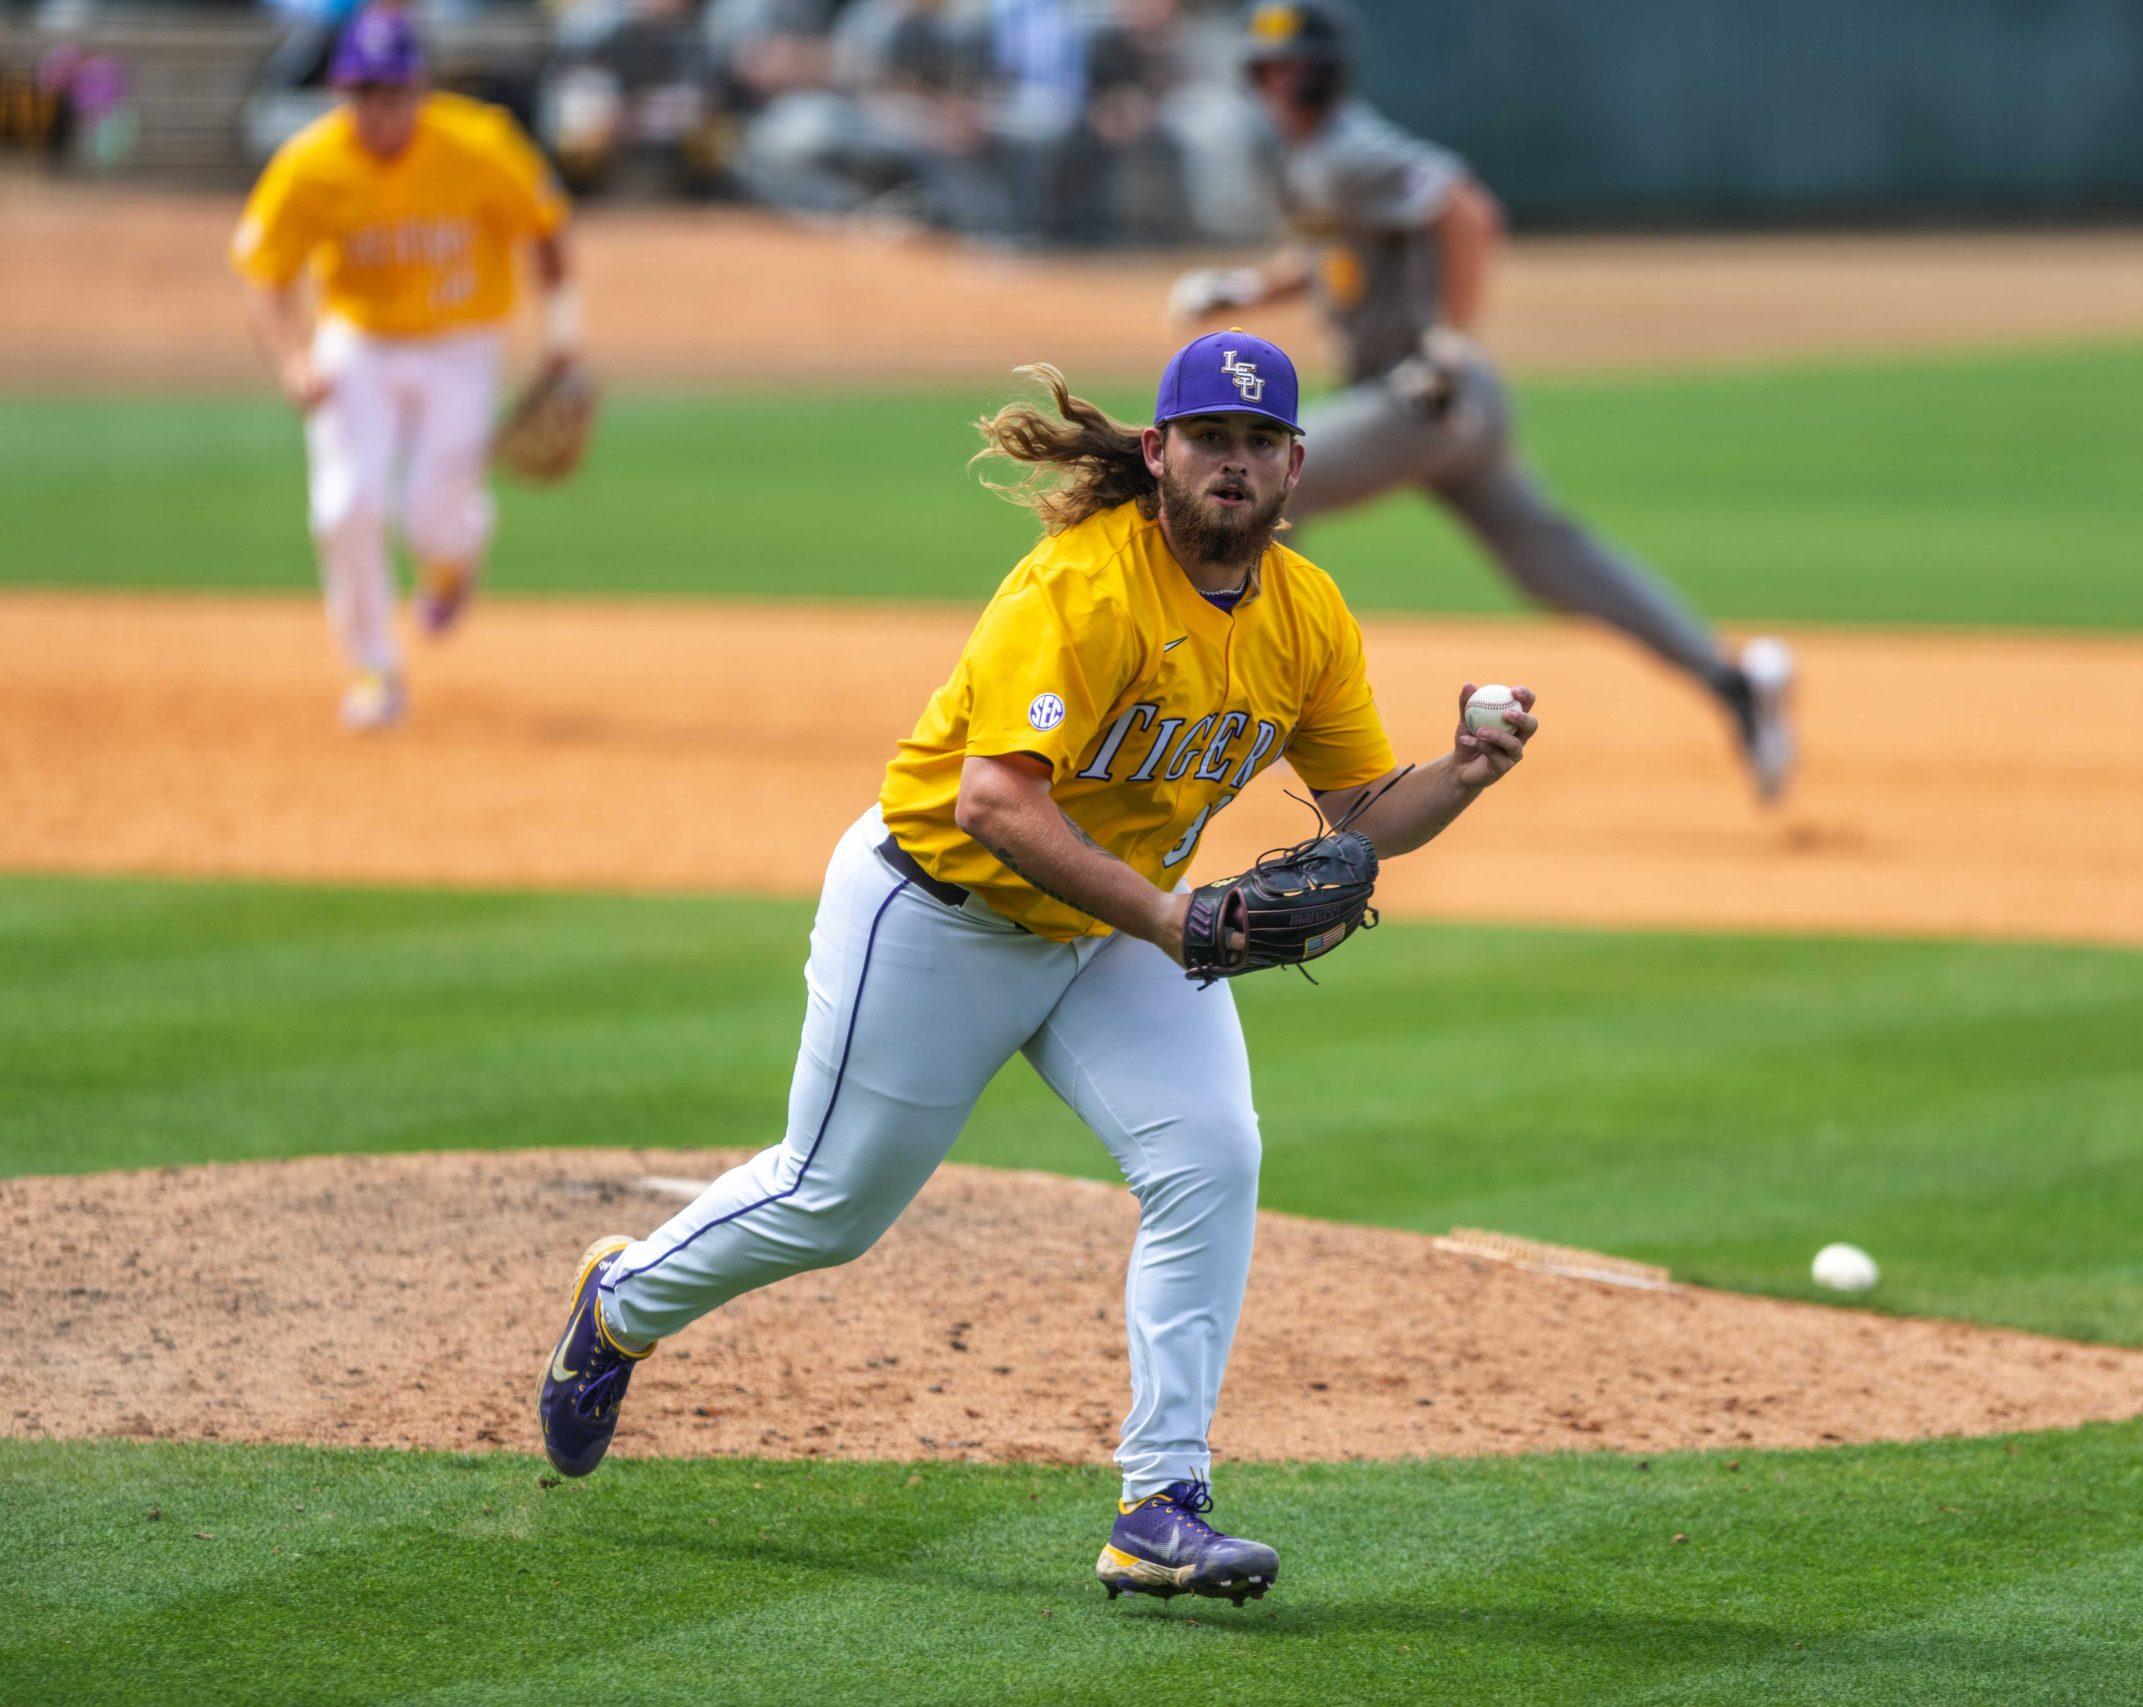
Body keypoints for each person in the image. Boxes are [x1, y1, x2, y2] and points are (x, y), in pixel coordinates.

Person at [537, 329, 1539, 1604]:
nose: (1232, 465)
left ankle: (1159, 1504)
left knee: (1211, 1158)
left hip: (1113, 930)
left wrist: (1458, 772)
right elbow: (995, 806)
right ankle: (619, 1303)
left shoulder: (1306, 613)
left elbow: (1359, 815)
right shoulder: (1082, 586)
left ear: (1295, 466)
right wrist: (1174, 923)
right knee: (831, 1205)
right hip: (938, 916)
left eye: (1257, 444)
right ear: (1160, 453)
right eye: (1208, 441)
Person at [1169, 0, 1795, 803]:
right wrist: (1248, 286)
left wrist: (1449, 339)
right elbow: (1334, 246)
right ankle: (1733, 681)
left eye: (1282, 68)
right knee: (1553, 561)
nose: (1273, 82)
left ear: (1310, 75)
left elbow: (1466, 210)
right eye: (1265, 68)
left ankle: (1231, 696)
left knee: (1269, 472)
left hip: (1418, 401)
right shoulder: (1317, 158)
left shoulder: (1348, 147)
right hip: (1448, 407)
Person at [230, 7, 582, 730]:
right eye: (363, 94)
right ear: (341, 94)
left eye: (392, 93)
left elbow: (546, 228)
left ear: (419, 90)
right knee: (345, 506)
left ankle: (454, 556)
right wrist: (295, 363)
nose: (378, 110)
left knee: (429, 512)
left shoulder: (478, 144)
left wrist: (562, 340)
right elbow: (265, 273)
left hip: (461, 344)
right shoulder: (308, 163)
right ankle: (373, 668)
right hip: (357, 342)